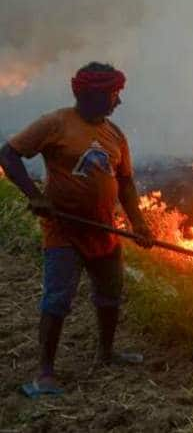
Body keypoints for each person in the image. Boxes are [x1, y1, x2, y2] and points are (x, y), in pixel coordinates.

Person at [0, 62, 155, 398]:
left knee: (110, 294)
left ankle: (107, 354)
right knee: (57, 300)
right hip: (64, 231)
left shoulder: (115, 135)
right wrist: (35, 196)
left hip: (103, 231)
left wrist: (138, 222)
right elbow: (9, 154)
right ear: (91, 94)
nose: (118, 101)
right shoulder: (56, 123)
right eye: (113, 94)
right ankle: (44, 374)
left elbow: (125, 183)